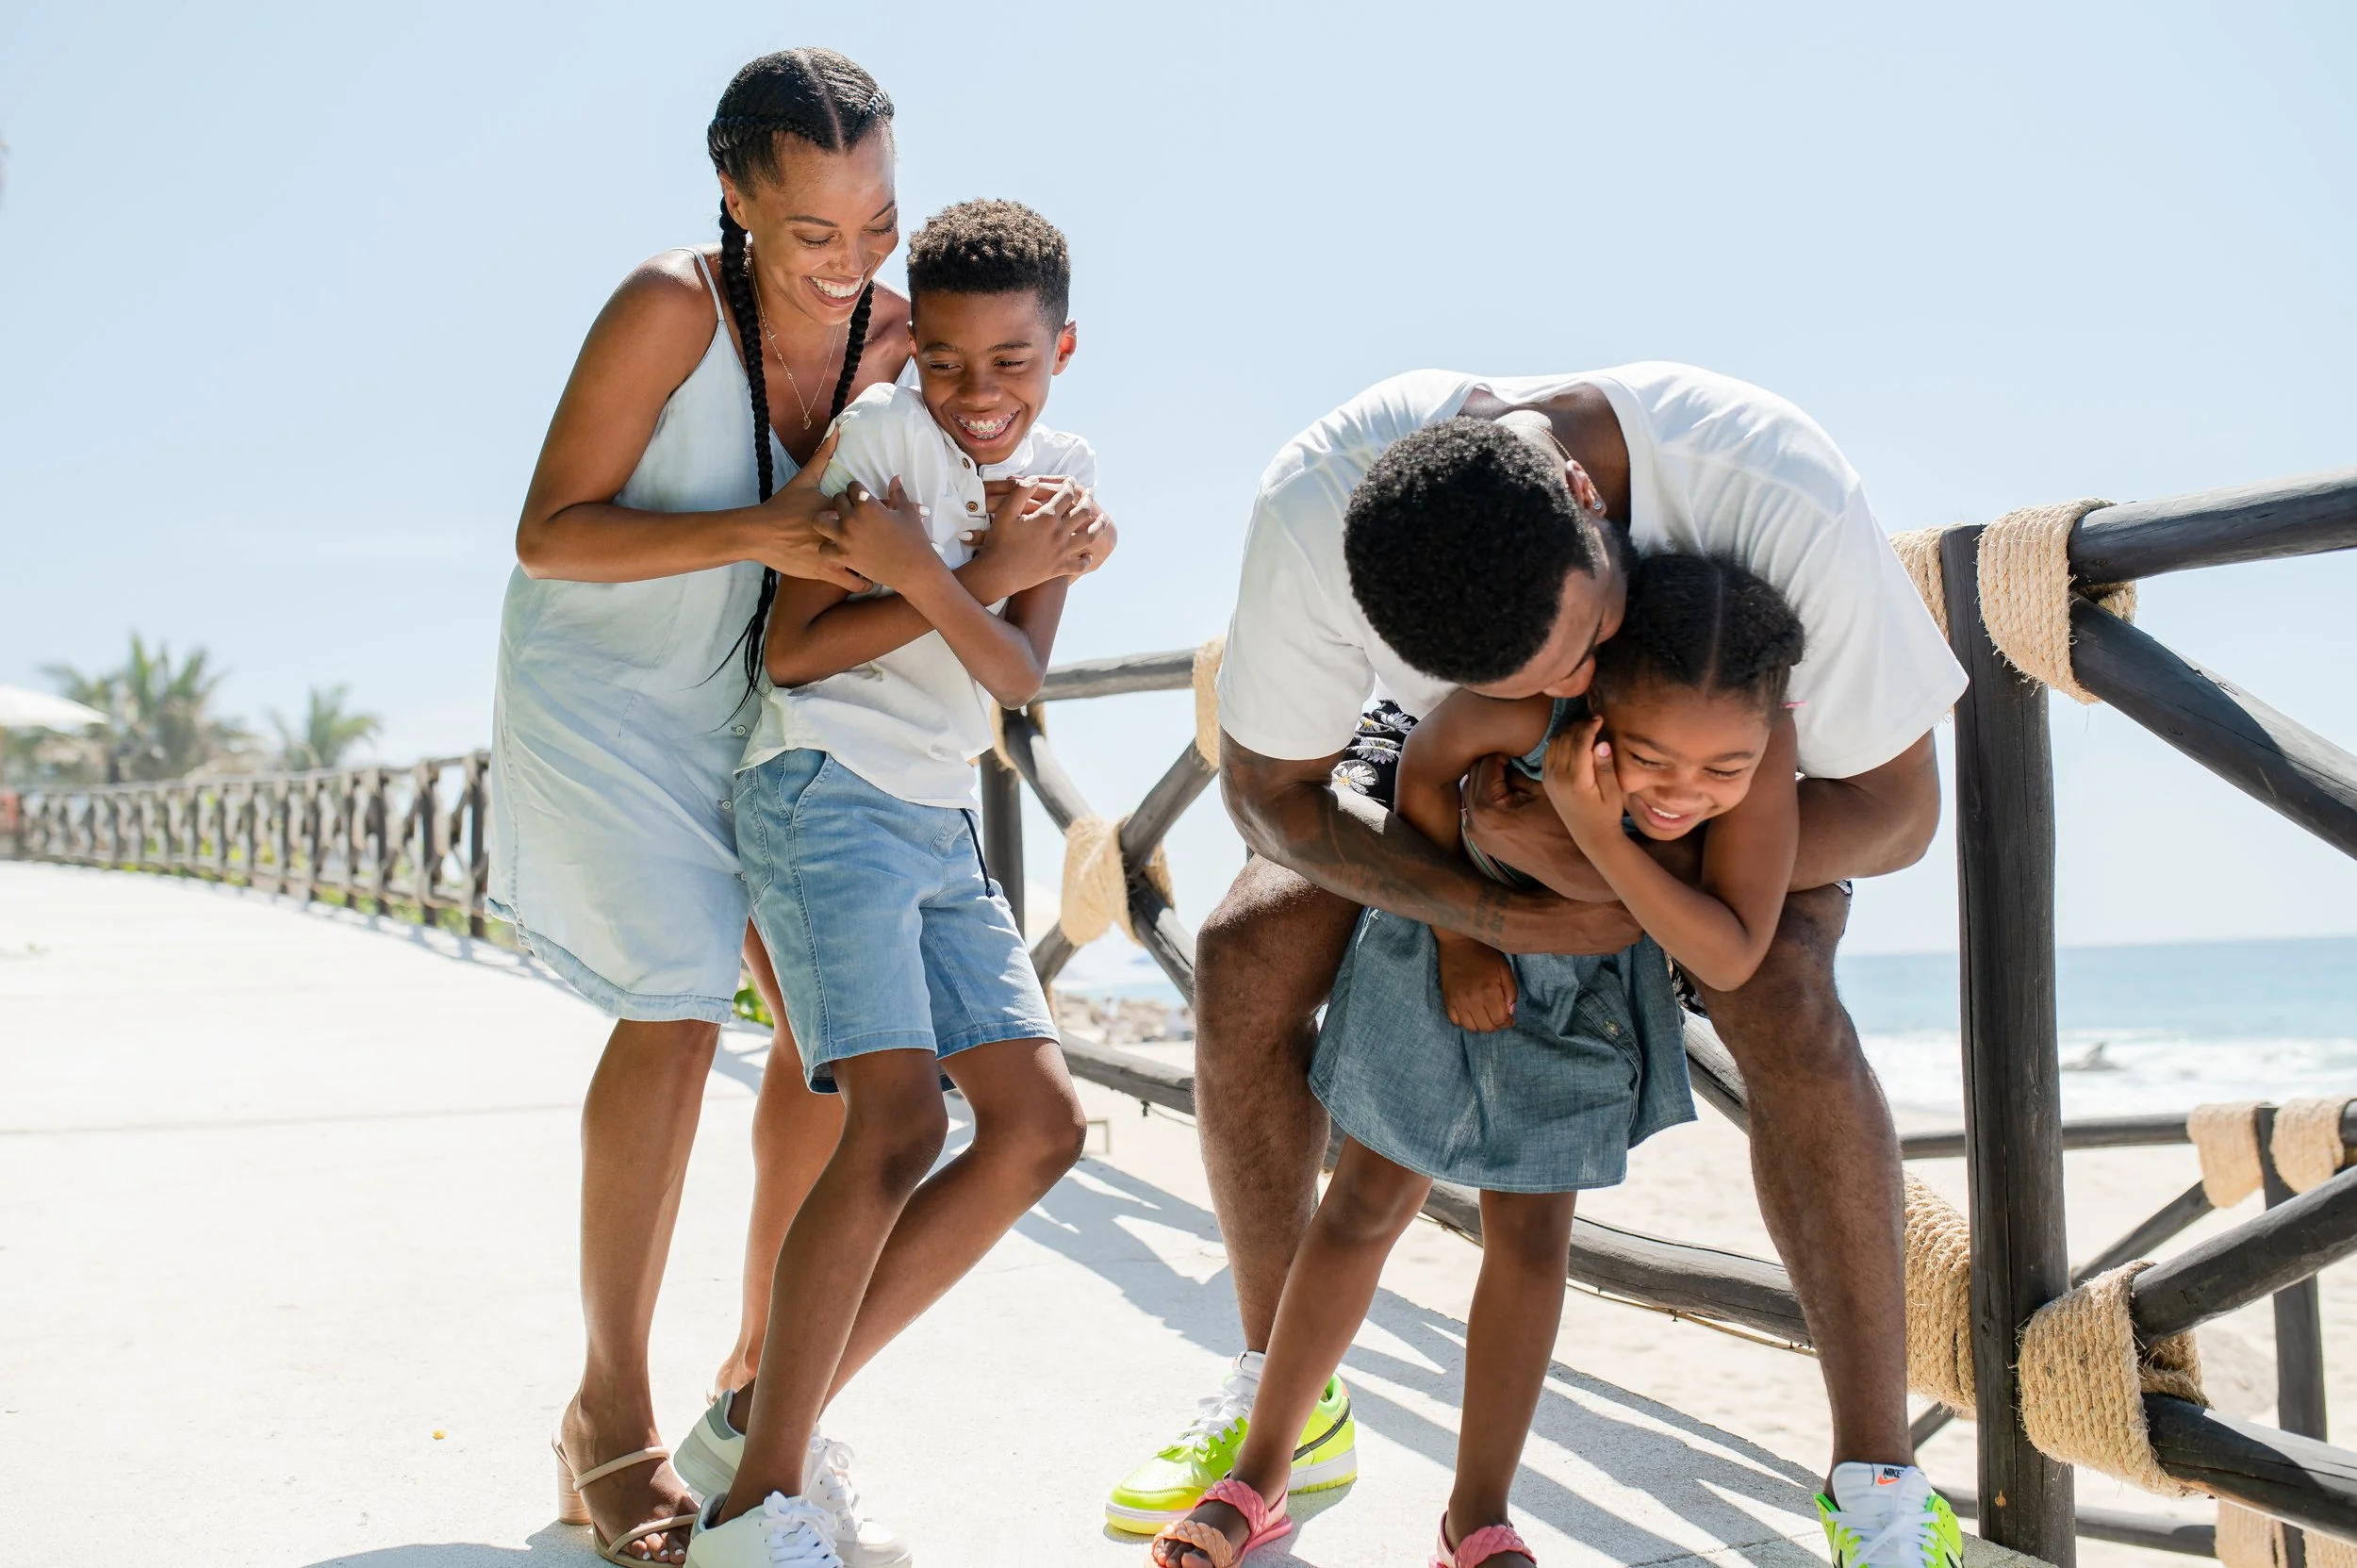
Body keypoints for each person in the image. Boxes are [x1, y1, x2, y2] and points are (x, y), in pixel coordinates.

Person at [1108, 367, 1970, 1568]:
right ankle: (1282, 1412)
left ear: (1586, 495)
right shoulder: (1316, 504)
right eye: (1521, 678)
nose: (1567, 689)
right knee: (1243, 951)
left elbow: (1896, 813)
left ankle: (1875, 1482)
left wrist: (1601, 866)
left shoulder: (1773, 489)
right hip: (1460, 785)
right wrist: (1479, 911)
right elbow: (1270, 793)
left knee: (1781, 996)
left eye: (1581, 649)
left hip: (1701, 813)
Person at [1149, 547, 1807, 1568]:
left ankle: (1477, 1515)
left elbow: (1727, 949)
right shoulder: (1530, 710)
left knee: (1534, 1241)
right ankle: (1262, 1470)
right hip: (1437, 956)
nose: (1685, 791)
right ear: (1602, 701)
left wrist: (1599, 832)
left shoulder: (1758, 759)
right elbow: (1419, 769)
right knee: (1363, 1202)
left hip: (1585, 1005)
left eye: (1723, 769)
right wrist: (1461, 938)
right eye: (1651, 759)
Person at [500, 48, 920, 1567]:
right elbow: (551, 533)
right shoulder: (669, 305)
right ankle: (606, 1409)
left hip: (763, 703)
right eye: (813, 231)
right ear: (735, 198)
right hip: (609, 699)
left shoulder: (893, 330)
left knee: (827, 1034)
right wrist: (765, 528)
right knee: (678, 1009)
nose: (850, 261)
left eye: (877, 223)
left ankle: (750, 1386)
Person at [679, 200, 1113, 1568]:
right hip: (823, 786)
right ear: (915, 347)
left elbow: (1019, 672)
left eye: (1015, 361)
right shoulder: (878, 438)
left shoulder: (1065, 472)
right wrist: (966, 569)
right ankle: (755, 1507)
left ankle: (757, 1430)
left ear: (1063, 350)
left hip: (936, 813)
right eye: (950, 360)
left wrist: (949, 572)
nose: (980, 391)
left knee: (1039, 1125)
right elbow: (796, 652)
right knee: (896, 1122)